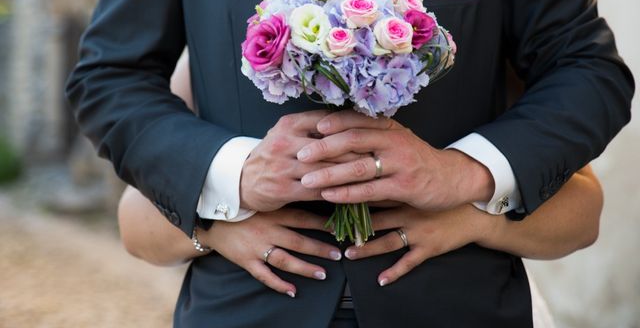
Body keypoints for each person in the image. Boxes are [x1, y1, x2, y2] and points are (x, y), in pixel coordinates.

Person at [65, 0, 634, 326]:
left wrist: (463, 172)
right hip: (248, 307)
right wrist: (235, 175)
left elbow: (589, 70)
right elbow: (110, 76)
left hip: (454, 303)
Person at [118, 51, 603, 327]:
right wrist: (219, 224)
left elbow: (584, 213)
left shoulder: (480, 40)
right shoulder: (222, 52)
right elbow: (134, 221)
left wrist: (473, 215)